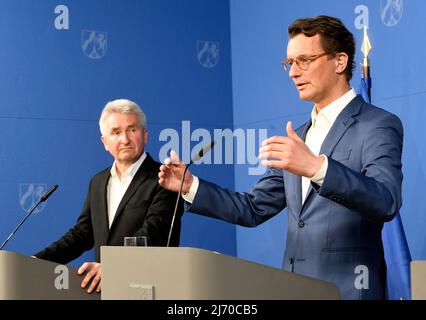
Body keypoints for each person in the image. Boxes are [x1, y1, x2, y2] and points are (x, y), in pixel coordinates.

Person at [158, 16, 403, 300]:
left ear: (339, 62)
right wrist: (190, 186)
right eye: (289, 63)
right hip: (293, 290)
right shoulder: (298, 136)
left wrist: (317, 167)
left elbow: (386, 200)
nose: (293, 73)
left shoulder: (377, 124)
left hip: (349, 292)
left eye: (304, 60)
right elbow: (252, 208)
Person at [35, 99, 183, 293]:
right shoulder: (98, 182)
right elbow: (82, 234)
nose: (125, 139)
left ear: (145, 135)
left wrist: (113, 267)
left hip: (150, 289)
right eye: (116, 132)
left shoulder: (166, 178)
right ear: (105, 142)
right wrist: (37, 261)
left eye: (132, 130)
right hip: (104, 292)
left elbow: (154, 234)